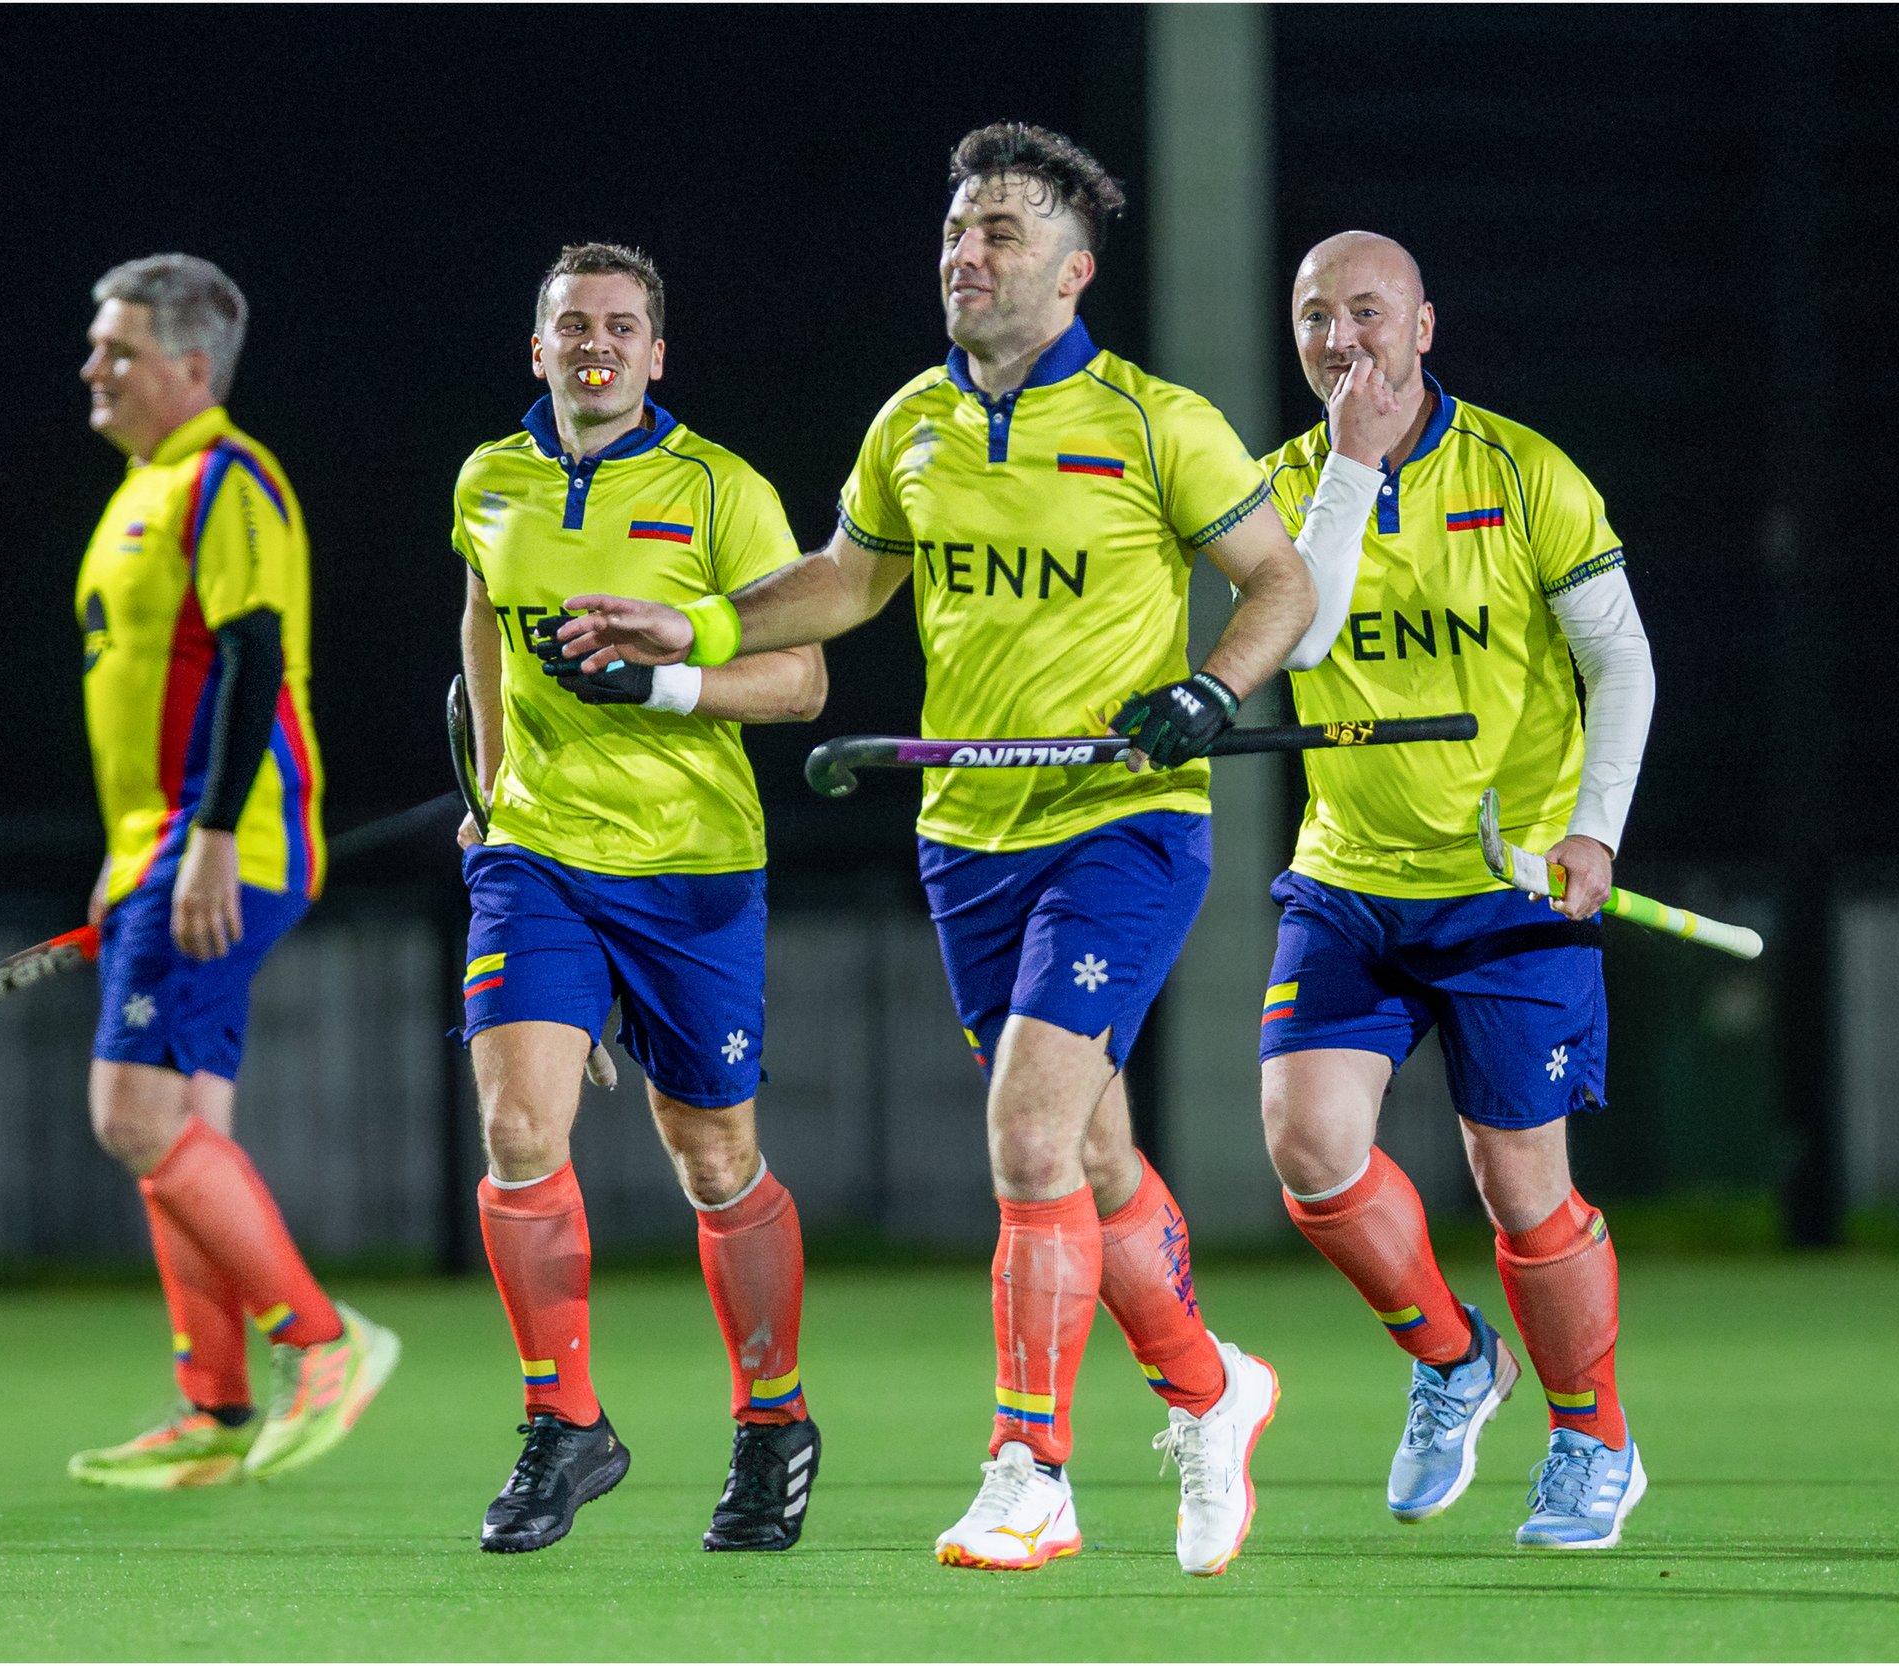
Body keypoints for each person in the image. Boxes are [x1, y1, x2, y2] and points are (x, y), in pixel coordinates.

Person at [557, 125, 1325, 1577]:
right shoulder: (911, 419)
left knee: (1028, 1131)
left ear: (1074, 269)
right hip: (968, 841)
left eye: (1006, 233)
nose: (969, 254)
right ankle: (1213, 1391)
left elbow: (1280, 579)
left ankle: (1031, 1466)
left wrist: (1211, 689)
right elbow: (846, 582)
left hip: (1121, 821)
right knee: (1089, 1156)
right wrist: (699, 625)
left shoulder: (1159, 421)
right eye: (960, 229)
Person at [1254, 231, 1656, 1549]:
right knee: (1308, 1147)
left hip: (1510, 887)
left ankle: (1591, 1435)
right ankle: (1449, 1357)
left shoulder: (1525, 475)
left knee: (1521, 1185)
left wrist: (1594, 831)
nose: (1342, 340)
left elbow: (1623, 668)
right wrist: (1354, 471)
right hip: (1351, 883)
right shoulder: (1282, 487)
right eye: (1317, 317)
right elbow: (1301, 631)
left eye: (1367, 312)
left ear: (1425, 326)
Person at [452, 243, 829, 1554]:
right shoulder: (489, 479)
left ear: (658, 353)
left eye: (621, 327)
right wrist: (493, 788)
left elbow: (802, 689)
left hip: (690, 862)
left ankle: (773, 1420)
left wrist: (662, 685)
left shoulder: (723, 491)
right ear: (538, 345)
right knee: (516, 1124)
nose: (594, 345)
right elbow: (483, 629)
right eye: (572, 326)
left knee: (714, 1159)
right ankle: (566, 1422)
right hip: (541, 855)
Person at [63, 253, 397, 1489]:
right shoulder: (143, 490)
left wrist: (202, 835)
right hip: (165, 844)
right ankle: (212, 1407)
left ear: (191, 369)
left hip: (226, 844)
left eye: (119, 349)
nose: (93, 366)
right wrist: (126, 849)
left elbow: (254, 658)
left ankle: (326, 1342)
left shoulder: (225, 478)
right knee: (185, 1123)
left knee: (129, 1112)